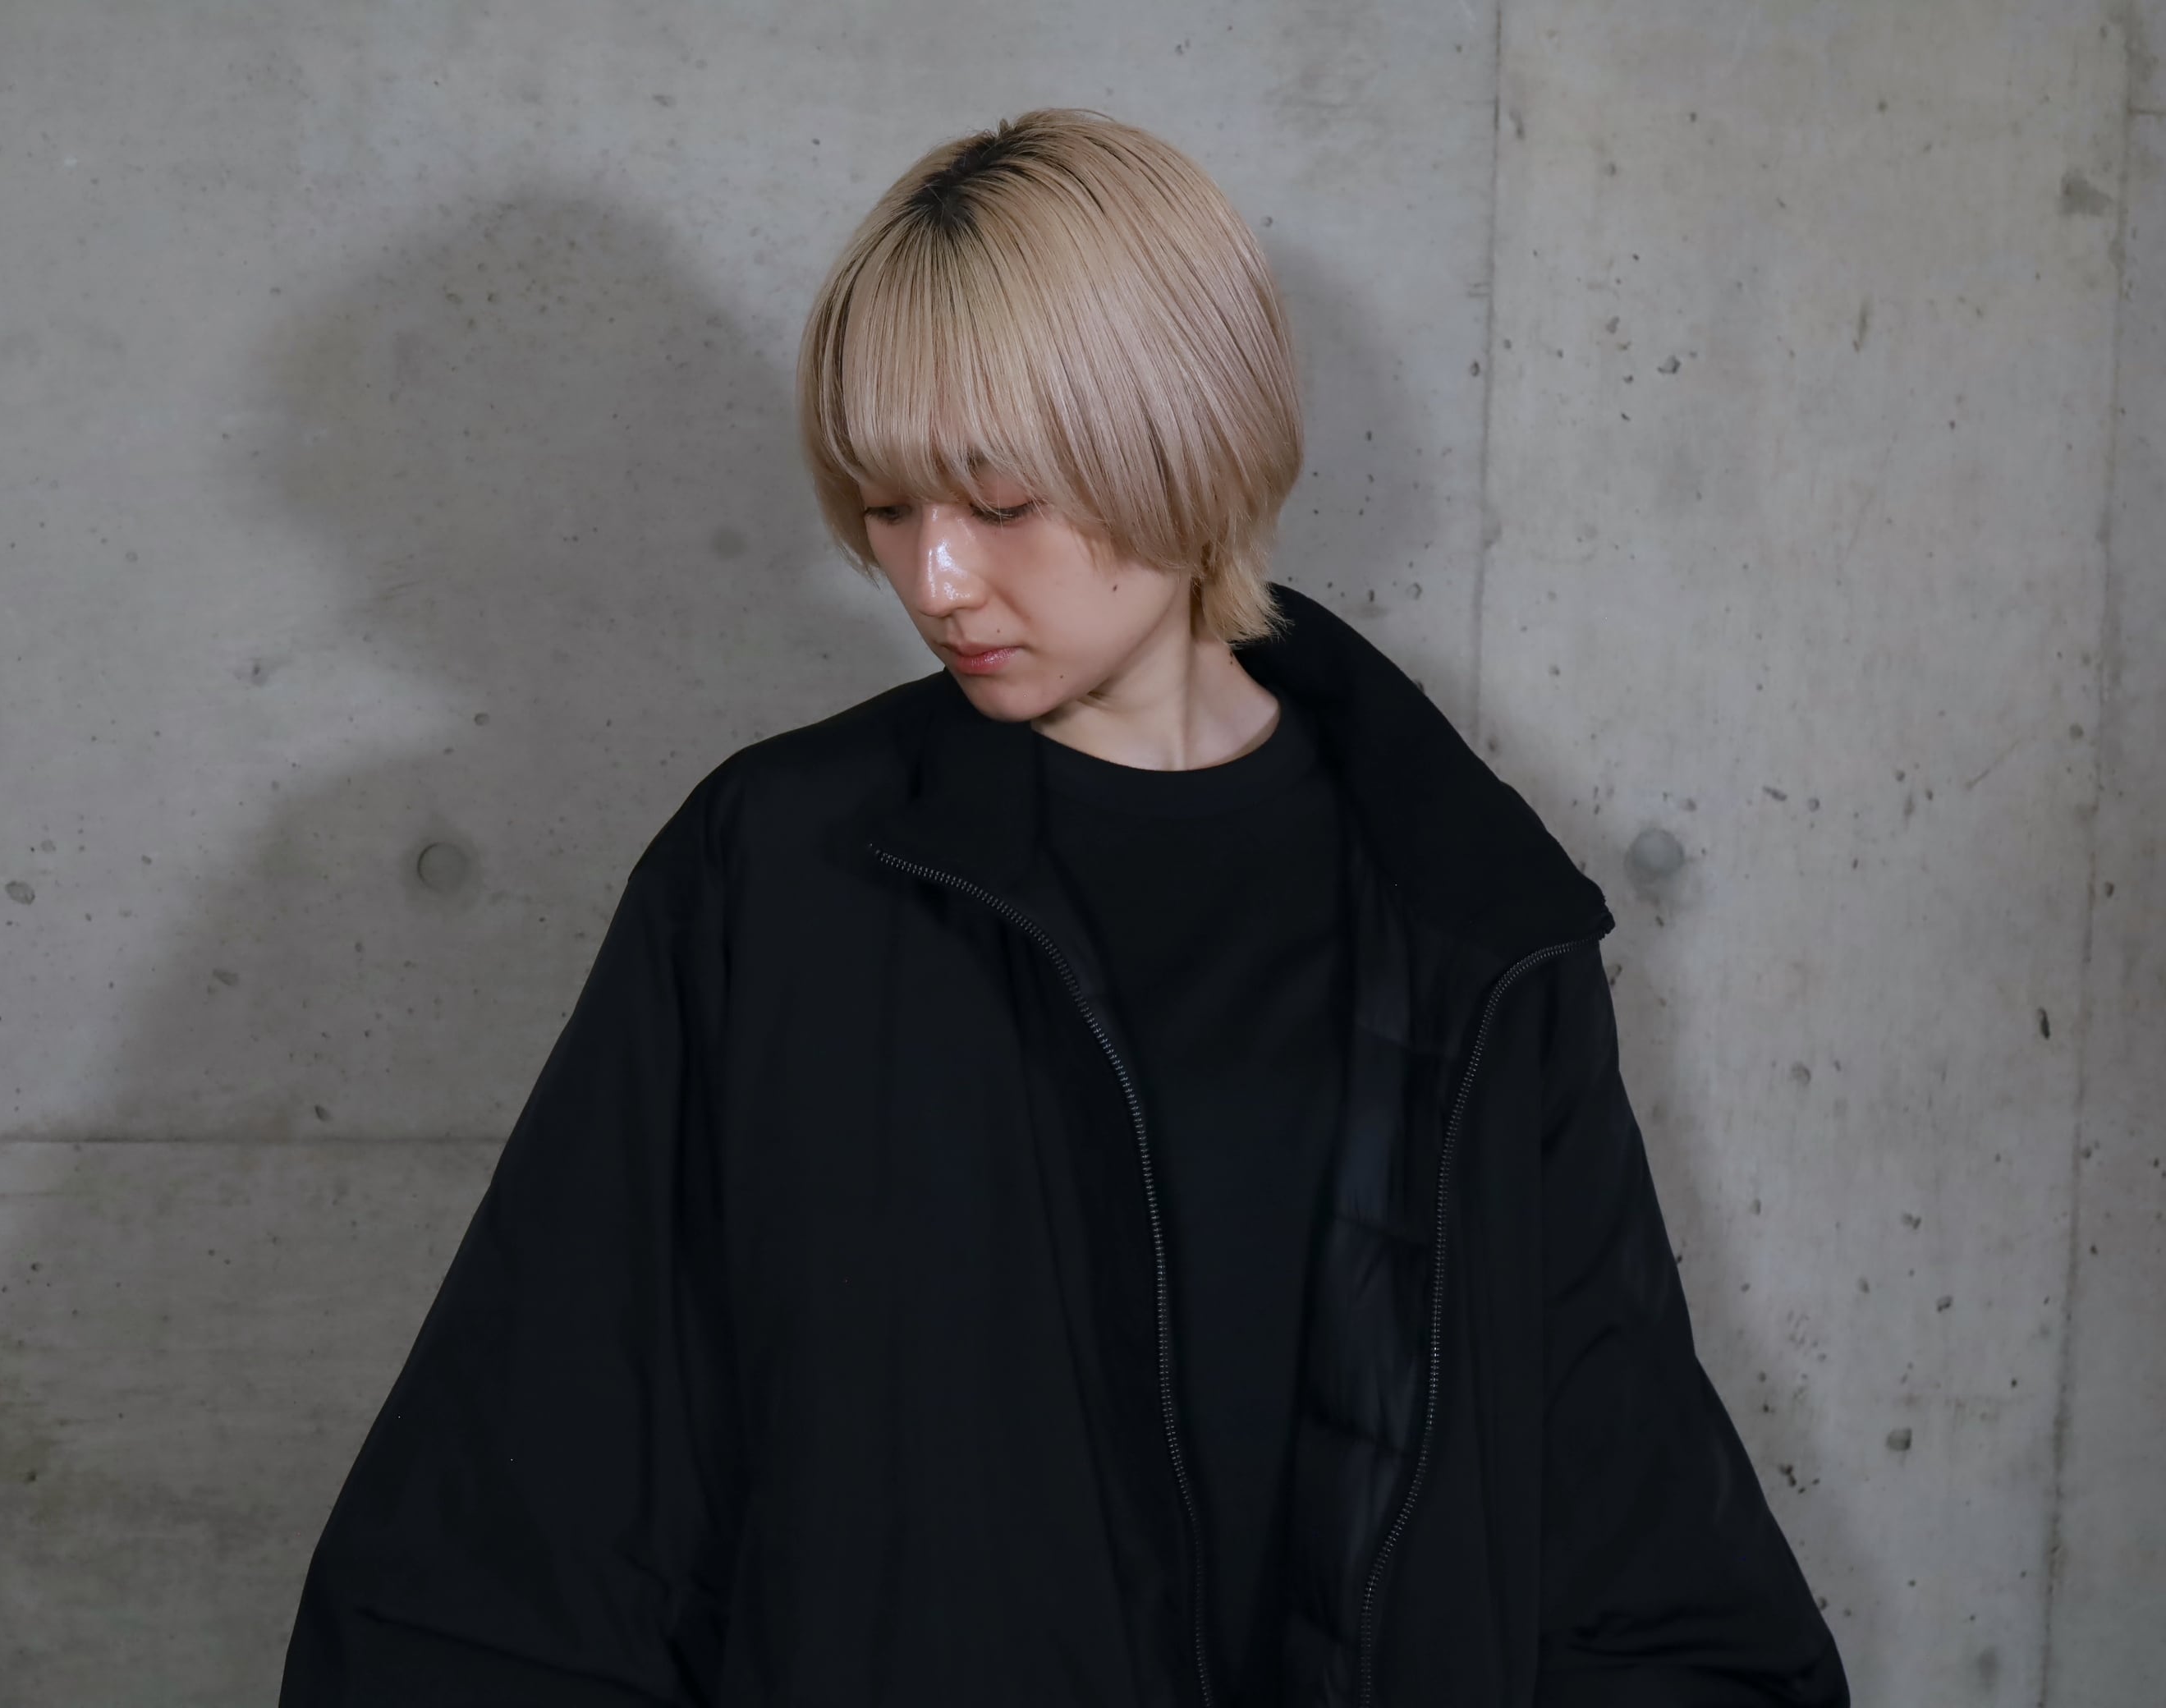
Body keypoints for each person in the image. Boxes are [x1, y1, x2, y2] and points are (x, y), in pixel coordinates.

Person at [278, 108, 1851, 1707]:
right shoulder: (780, 873)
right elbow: (530, 1511)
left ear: (1187, 442)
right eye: (886, 507)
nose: (935, 579)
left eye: (1000, 502)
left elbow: (1624, 1527)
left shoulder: (1469, 916)